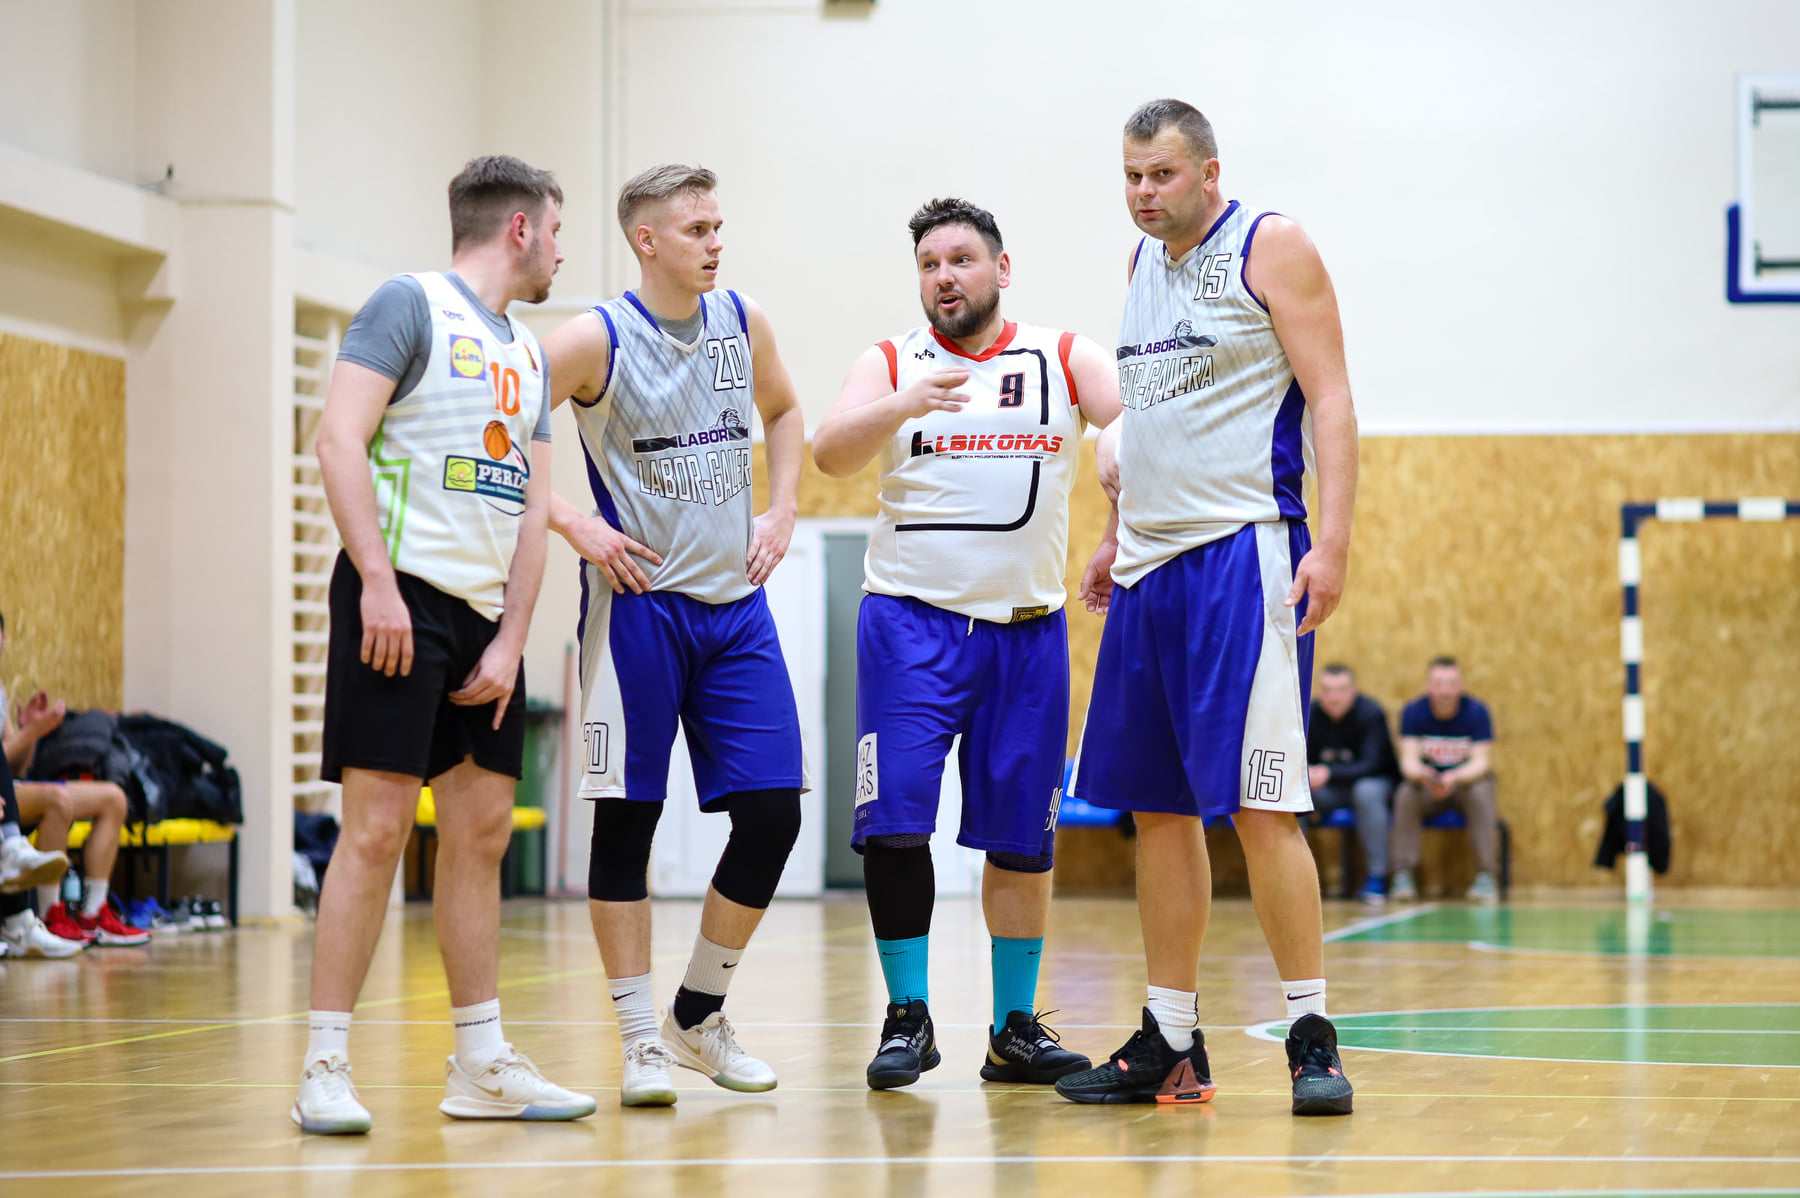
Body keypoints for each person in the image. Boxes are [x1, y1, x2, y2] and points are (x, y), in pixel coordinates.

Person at [1058, 100, 1359, 1116]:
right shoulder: (1140, 266)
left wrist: (1332, 543)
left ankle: (1310, 1035)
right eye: (1132, 175)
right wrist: (1113, 534)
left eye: (1162, 174)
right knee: (1157, 809)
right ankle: (1172, 1039)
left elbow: (1331, 398)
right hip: (1149, 566)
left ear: (1209, 172)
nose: (1144, 192)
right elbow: (1148, 423)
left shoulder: (1271, 246)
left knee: (1263, 807)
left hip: (1245, 551)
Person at [296, 155, 594, 1135]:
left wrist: (512, 639)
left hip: (482, 619)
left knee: (481, 835)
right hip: (399, 597)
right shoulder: (408, 304)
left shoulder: (531, 355)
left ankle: (480, 1063)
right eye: (556, 230)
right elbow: (339, 440)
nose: (561, 250)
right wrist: (377, 582)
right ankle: (324, 1063)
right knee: (376, 831)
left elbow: (534, 505)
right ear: (520, 228)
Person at [812, 197, 1121, 1090]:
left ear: (1001, 268)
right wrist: (901, 403)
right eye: (929, 264)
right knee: (896, 826)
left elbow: (1132, 431)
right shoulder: (889, 362)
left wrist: (1116, 529)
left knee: (1022, 839)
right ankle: (908, 1018)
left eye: (961, 260)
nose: (944, 277)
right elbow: (830, 453)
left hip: (1027, 635)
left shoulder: (1063, 356)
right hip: (910, 627)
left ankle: (1012, 1030)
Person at [540, 164, 808, 1108]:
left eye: (718, 225)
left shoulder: (742, 320)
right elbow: (498, 425)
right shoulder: (594, 339)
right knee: (629, 824)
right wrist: (575, 523)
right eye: (696, 229)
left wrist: (782, 508)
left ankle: (695, 1016)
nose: (715, 242)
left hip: (735, 611)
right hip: (638, 610)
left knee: (773, 815)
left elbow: (784, 412)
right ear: (646, 240)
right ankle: (636, 1042)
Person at [0, 616, 148, 945]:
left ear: (4, 638)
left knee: (113, 798)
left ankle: (94, 913)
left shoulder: (0, 688)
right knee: (58, 800)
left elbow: (15, 765)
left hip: (11, 788)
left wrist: (31, 732)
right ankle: (50, 914)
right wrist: (31, 732)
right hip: (6, 796)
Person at [1390, 656, 1501, 904]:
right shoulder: (1413, 712)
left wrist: (1453, 777)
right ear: (1428, 686)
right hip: (1428, 786)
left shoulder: (1477, 711)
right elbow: (1408, 763)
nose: (1445, 691)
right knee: (1405, 794)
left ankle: (1486, 875)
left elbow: (1481, 763)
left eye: (1451, 684)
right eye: (1439, 684)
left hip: (1464, 786)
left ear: (1460, 686)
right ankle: (1402, 875)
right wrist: (1426, 775)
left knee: (1482, 791)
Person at [1307, 663, 1397, 906]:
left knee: (1366, 792)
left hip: (1374, 784)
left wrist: (1329, 772)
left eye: (1341, 690)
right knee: (1297, 795)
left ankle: (1377, 878)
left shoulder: (1371, 713)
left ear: (1353, 691)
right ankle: (1296, 879)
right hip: (1330, 790)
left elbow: (1372, 764)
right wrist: (1309, 774)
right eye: (1327, 690)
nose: (1334, 697)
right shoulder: (1310, 714)